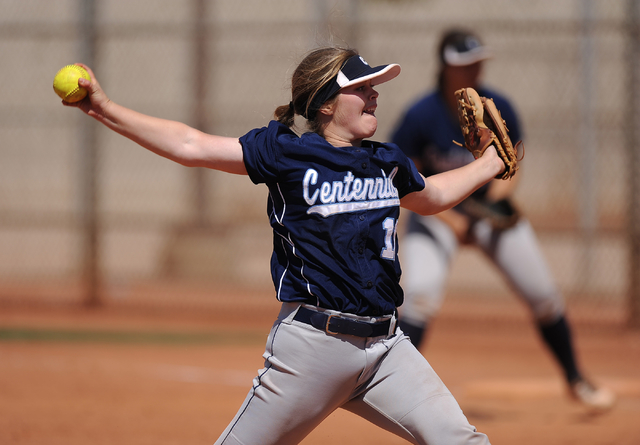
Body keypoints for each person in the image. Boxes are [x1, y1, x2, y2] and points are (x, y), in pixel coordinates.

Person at [62, 47, 508, 444]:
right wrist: (103, 108)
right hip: (314, 348)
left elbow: (432, 196)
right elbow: (189, 144)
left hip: (387, 347)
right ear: (326, 103)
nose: (374, 93)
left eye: (375, 85)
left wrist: (490, 162)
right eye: (362, 86)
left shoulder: (384, 161)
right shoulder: (285, 153)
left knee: (462, 440)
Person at [391, 29, 615, 411]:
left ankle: (576, 379)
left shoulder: (499, 107)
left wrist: (497, 199)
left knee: (544, 295)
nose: (476, 70)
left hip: (489, 219)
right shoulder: (420, 115)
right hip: (437, 216)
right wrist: (450, 220)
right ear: (446, 67)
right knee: (420, 296)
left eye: (479, 62)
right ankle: (393, 390)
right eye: (466, 64)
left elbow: (514, 169)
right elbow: (406, 183)